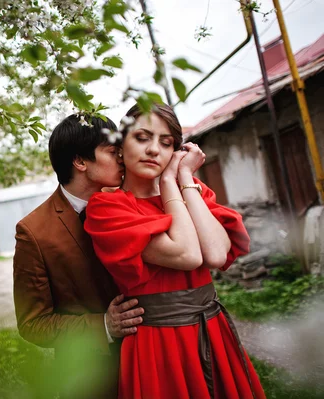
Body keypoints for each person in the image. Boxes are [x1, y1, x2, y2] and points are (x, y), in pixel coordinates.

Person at [84, 103, 266, 399]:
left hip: (211, 329)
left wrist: (180, 180)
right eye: (142, 138)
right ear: (120, 146)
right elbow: (189, 256)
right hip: (159, 341)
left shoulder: (192, 189)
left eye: (166, 142)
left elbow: (217, 255)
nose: (154, 150)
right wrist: (170, 182)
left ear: (175, 151)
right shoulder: (109, 207)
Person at [13, 113, 145, 398]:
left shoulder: (134, 201)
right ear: (81, 162)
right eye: (112, 152)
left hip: (151, 361)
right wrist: (104, 326)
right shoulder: (34, 232)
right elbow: (32, 324)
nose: (122, 158)